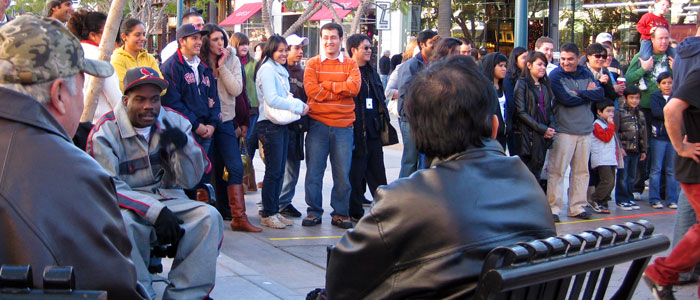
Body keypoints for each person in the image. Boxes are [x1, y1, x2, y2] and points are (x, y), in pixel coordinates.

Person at [324, 55, 556, 299]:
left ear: (417, 135)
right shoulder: (527, 181)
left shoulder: (407, 198)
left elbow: (341, 283)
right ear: (495, 126)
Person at [0, 15, 146, 300]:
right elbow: (114, 287)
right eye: (81, 87)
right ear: (58, 95)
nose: (82, 99)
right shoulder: (75, 175)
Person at [88, 67, 223, 299]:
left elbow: (192, 180)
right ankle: (139, 293)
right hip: (129, 204)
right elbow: (108, 187)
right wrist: (154, 211)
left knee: (209, 218)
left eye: (154, 99)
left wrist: (185, 149)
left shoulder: (175, 122)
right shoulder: (105, 131)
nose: (148, 106)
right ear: (125, 99)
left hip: (171, 198)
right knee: (125, 226)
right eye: (140, 99)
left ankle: (185, 295)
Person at [642, 66, 700, 300]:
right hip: (695, 167)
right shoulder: (697, 76)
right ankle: (661, 273)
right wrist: (680, 146)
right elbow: (671, 109)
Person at [201, 24, 261, 232]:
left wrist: (222, 66)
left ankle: (239, 218)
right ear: (206, 41)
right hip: (205, 122)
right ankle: (203, 217)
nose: (220, 44)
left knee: (235, 167)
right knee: (204, 170)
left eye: (222, 39)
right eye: (215, 40)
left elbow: (236, 89)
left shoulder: (232, 59)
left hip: (226, 120)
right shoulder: (199, 61)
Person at [302, 23, 361, 228]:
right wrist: (339, 90)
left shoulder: (351, 64)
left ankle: (340, 213)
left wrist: (326, 86)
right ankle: (314, 211)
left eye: (333, 37)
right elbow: (311, 91)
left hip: (344, 126)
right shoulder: (312, 63)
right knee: (314, 172)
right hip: (317, 125)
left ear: (341, 39)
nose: (329, 41)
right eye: (325, 37)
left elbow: (354, 88)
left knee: (342, 174)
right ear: (321, 39)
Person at [161, 23, 220, 204]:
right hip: (186, 131)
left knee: (200, 176)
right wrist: (196, 125)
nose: (199, 42)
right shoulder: (171, 67)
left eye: (199, 38)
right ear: (182, 41)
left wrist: (212, 124)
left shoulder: (203, 67)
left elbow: (214, 98)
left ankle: (199, 214)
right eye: (194, 38)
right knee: (183, 177)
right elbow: (173, 103)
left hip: (206, 131)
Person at [548, 42, 605, 222]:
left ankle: (577, 207)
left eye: (570, 59)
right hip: (564, 130)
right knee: (557, 171)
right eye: (563, 59)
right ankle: (553, 208)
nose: (565, 62)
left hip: (585, 130)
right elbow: (565, 99)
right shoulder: (555, 76)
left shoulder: (586, 73)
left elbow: (600, 94)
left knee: (581, 172)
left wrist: (578, 93)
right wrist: (586, 93)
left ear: (577, 57)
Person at [256, 35, 308, 229]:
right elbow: (273, 99)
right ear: (271, 51)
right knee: (274, 171)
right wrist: (297, 105)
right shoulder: (268, 69)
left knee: (279, 172)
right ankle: (268, 213)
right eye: (280, 50)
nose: (284, 54)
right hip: (269, 125)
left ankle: (275, 210)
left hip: (281, 124)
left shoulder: (280, 69)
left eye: (286, 50)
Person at [346, 33, 393, 222]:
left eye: (370, 48)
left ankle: (385, 211)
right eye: (365, 48)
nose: (369, 51)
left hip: (374, 128)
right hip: (355, 129)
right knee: (356, 174)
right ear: (353, 50)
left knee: (377, 172)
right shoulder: (348, 71)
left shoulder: (371, 71)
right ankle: (354, 211)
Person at [625, 25, 672, 200]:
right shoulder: (642, 56)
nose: (664, 41)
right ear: (651, 39)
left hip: (667, 109)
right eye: (660, 38)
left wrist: (678, 67)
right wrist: (643, 68)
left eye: (667, 38)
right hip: (645, 108)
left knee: (665, 150)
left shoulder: (671, 57)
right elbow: (628, 79)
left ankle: (664, 190)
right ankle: (638, 186)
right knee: (644, 147)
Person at [67, 9, 122, 124]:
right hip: (102, 125)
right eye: (108, 31)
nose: (113, 36)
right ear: (93, 35)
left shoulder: (72, 53)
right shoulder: (100, 58)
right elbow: (115, 99)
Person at [396, 30, 438, 178]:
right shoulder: (411, 65)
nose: (435, 46)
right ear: (422, 44)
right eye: (432, 43)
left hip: (427, 119)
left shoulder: (435, 64)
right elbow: (405, 92)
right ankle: (402, 194)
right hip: (411, 119)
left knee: (424, 161)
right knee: (410, 160)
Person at [278, 34, 309, 218]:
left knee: (293, 167)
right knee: (278, 167)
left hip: (296, 126)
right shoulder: (276, 70)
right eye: (296, 48)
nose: (300, 51)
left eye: (301, 48)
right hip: (279, 125)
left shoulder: (301, 71)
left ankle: (284, 201)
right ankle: (274, 202)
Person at [513, 51, 555, 180]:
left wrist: (551, 128)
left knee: (538, 172)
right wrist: (542, 129)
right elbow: (521, 112)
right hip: (528, 134)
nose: (543, 68)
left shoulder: (545, 85)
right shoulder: (522, 83)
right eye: (540, 64)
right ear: (529, 65)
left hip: (543, 135)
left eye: (545, 65)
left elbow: (550, 110)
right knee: (526, 174)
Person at [231, 32, 260, 192]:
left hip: (253, 108)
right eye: (241, 44)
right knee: (238, 144)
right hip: (237, 109)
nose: (244, 47)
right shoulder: (230, 63)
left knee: (248, 143)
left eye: (246, 44)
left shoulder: (254, 63)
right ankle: (238, 181)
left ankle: (245, 179)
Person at [649, 71, 679, 209]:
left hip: (673, 138)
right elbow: (656, 113)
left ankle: (672, 199)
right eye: (664, 83)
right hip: (659, 137)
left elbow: (681, 114)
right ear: (658, 85)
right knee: (656, 169)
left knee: (671, 169)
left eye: (670, 83)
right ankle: (654, 199)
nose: (667, 85)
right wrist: (672, 114)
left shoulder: (677, 97)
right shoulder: (655, 96)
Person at [615, 85, 647, 210]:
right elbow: (616, 131)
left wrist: (644, 149)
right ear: (625, 98)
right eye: (631, 98)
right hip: (624, 149)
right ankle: (621, 199)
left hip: (636, 150)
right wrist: (620, 148)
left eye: (637, 98)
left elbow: (643, 133)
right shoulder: (620, 113)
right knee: (623, 175)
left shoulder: (640, 114)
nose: (634, 100)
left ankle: (629, 197)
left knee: (632, 176)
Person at [112, 18, 163, 91]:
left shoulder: (149, 58)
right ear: (124, 37)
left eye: (144, 34)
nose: (143, 38)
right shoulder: (117, 59)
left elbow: (163, 88)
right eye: (137, 35)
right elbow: (123, 88)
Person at [589, 100, 619, 214]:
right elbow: (605, 137)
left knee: (612, 182)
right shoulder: (597, 124)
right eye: (608, 111)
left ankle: (604, 200)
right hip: (601, 158)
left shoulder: (607, 124)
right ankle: (595, 199)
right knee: (607, 180)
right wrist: (611, 125)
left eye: (612, 111)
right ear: (599, 112)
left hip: (610, 158)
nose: (611, 114)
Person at [480, 52, 508, 149]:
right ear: (491, 67)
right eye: (500, 66)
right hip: (490, 137)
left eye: (505, 66)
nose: (504, 69)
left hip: (504, 134)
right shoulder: (484, 88)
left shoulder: (504, 88)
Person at [504, 46, 528, 155]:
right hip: (516, 125)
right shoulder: (509, 78)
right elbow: (511, 102)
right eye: (524, 58)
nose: (527, 61)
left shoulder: (528, 76)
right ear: (515, 59)